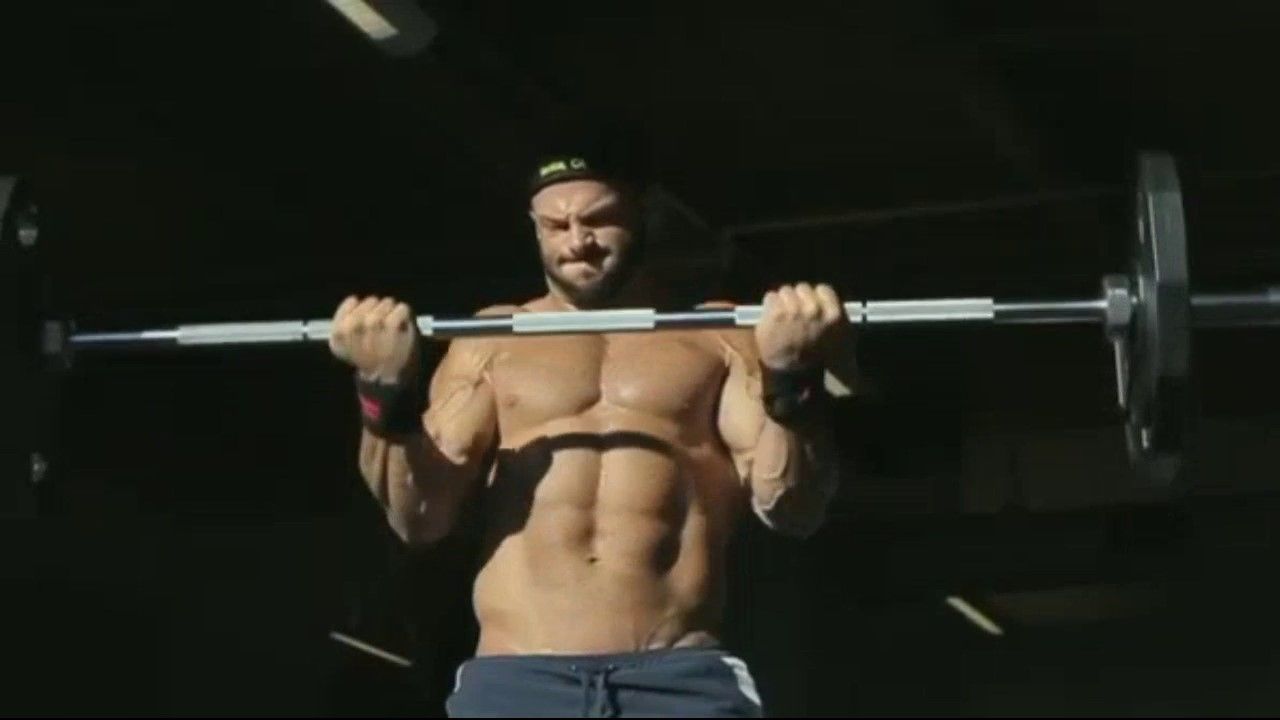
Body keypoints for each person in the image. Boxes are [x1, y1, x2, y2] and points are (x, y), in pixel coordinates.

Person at [327, 148, 851, 718]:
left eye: (599, 220)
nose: (577, 241)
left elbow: (792, 508)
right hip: (519, 675)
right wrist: (383, 395)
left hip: (676, 677)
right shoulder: (493, 339)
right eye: (556, 225)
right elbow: (420, 517)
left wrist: (792, 381)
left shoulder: (714, 335)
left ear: (643, 219)